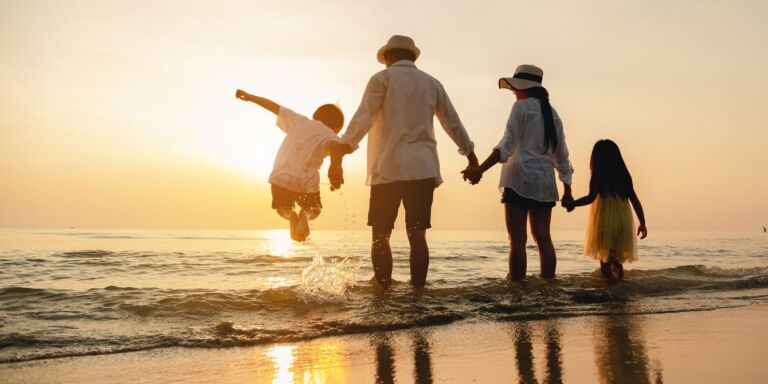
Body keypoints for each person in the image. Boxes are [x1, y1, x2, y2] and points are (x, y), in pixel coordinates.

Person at [328, 35, 478, 289]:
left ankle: (383, 293)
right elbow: (452, 122)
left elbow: (363, 118)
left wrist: (342, 150)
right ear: (413, 56)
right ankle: (418, 294)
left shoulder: (382, 79)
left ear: (387, 57)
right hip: (422, 169)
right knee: (417, 235)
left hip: (387, 169)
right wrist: (471, 158)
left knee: (380, 235)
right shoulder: (432, 83)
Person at [462, 65, 573, 281]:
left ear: (523, 88)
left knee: (517, 240)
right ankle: (548, 289)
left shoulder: (521, 108)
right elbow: (562, 156)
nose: (513, 92)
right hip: (544, 184)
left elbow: (506, 145)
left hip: (519, 180)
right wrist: (567, 189)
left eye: (515, 88)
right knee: (544, 239)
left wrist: (479, 169)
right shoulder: (553, 113)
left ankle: (517, 290)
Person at [235, 89, 344, 241]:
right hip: (306, 182)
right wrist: (336, 166)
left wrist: (250, 97)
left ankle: (291, 213)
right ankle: (304, 215)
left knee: (282, 208)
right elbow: (335, 146)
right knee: (314, 209)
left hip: (281, 177)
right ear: (338, 128)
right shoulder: (331, 135)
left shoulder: (300, 121)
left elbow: (275, 107)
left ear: (315, 116)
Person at [562, 139, 647, 281]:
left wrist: (574, 204)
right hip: (622, 224)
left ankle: (610, 289)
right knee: (617, 260)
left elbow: (590, 198)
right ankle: (619, 286)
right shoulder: (624, 176)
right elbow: (635, 200)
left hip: (605, 224)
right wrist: (642, 223)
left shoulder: (598, 176)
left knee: (605, 259)